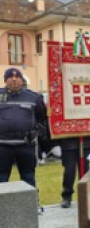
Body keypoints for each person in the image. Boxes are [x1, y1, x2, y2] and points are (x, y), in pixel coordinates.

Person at [0, 68, 47, 203]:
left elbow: (41, 117)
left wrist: (38, 132)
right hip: (2, 147)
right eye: (10, 77)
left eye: (17, 77)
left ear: (22, 80)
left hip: (25, 146)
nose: (14, 80)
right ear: (5, 80)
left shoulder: (33, 97)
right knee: (1, 178)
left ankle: (32, 205)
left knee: (28, 177)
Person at [59, 135, 90, 208]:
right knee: (69, 170)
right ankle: (67, 195)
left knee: (85, 169)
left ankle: (85, 194)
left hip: (86, 140)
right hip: (69, 141)